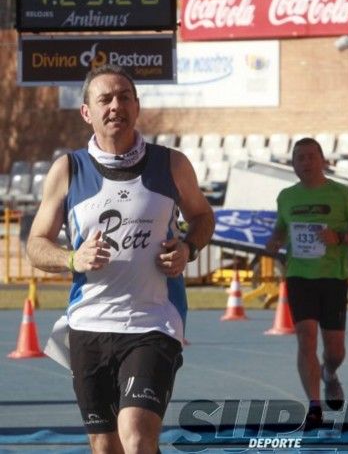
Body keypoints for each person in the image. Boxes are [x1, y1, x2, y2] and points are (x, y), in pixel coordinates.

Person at [26, 64, 215, 454]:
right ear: (87, 112)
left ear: (137, 106)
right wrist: (73, 258)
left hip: (154, 321)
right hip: (89, 324)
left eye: (124, 97)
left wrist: (188, 249)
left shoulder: (171, 164)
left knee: (138, 435)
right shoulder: (68, 169)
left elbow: (202, 217)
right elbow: (36, 244)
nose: (116, 106)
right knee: (106, 446)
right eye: (105, 99)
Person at [266, 137, 348, 430]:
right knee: (305, 338)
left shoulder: (342, 195)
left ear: (322, 161)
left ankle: (330, 374)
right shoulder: (287, 196)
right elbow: (281, 227)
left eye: (312, 156)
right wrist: (275, 239)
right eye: (300, 157)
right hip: (300, 276)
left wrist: (339, 238)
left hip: (332, 277)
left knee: (335, 350)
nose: (306, 162)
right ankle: (314, 407)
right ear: (294, 164)